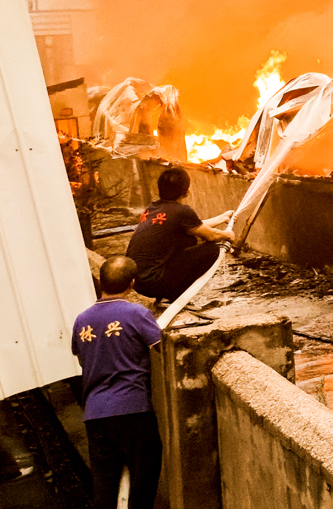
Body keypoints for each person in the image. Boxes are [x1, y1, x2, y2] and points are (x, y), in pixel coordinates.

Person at [73, 256, 163, 509]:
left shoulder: (82, 320)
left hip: (95, 413)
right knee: (143, 480)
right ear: (132, 284)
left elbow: (82, 359)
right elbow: (162, 349)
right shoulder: (136, 313)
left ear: (101, 281)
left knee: (104, 486)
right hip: (132, 409)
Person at [126, 168, 234, 302]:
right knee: (211, 250)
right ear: (186, 190)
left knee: (188, 239)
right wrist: (227, 235)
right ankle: (174, 296)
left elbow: (195, 227)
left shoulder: (152, 208)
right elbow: (211, 236)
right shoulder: (182, 211)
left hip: (137, 281)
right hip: (153, 282)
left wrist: (222, 218)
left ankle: (166, 296)